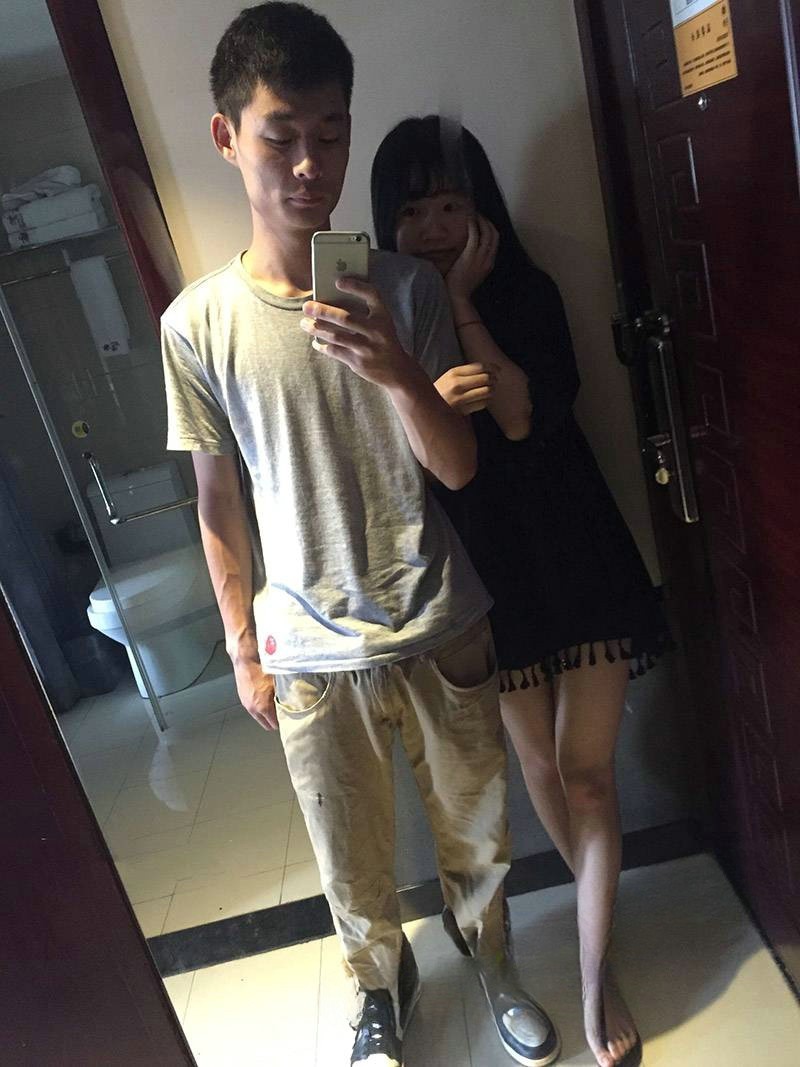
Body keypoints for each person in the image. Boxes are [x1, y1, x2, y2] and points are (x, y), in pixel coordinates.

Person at [161, 8, 560, 1067]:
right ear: (226, 138)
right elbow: (216, 501)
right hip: (306, 646)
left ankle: (493, 958)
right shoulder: (196, 325)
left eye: (331, 134)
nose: (310, 164)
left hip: (440, 617)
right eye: (281, 135)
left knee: (477, 830)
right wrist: (241, 646)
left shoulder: (408, 287)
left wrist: (393, 367)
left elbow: (457, 466)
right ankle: (379, 991)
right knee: (349, 860)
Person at [372, 116, 670, 1067]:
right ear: (387, 220)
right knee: (540, 767)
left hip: (575, 550)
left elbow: (517, 413)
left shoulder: (526, 291)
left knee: (587, 774)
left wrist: (464, 301)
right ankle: (596, 931)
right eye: (412, 210)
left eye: (450, 204)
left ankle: (591, 973)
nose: (433, 227)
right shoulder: (387, 318)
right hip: (486, 574)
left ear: (482, 210)